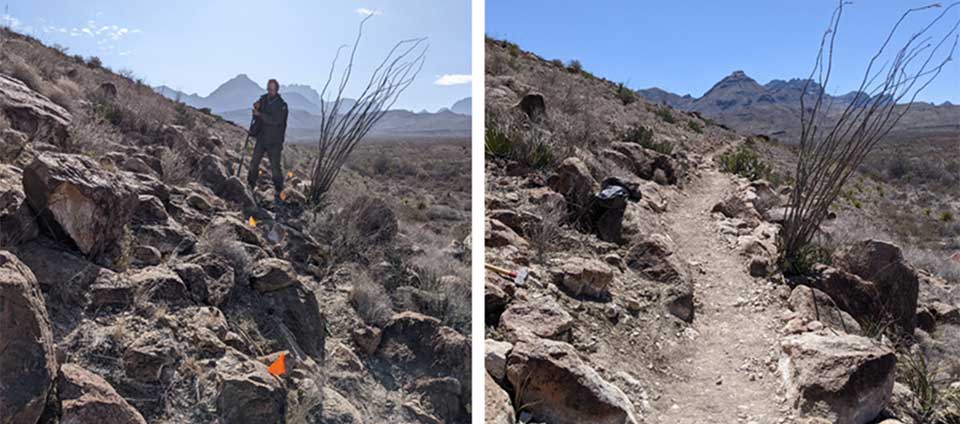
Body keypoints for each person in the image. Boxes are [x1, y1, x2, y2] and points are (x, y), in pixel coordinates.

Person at [247, 78, 289, 204]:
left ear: (276, 90)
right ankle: (250, 185)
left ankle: (279, 191)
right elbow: (257, 113)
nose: (269, 91)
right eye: (268, 88)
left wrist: (260, 115)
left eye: (271, 89)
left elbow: (275, 121)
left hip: (274, 141)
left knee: (275, 168)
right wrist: (256, 110)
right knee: (254, 162)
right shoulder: (263, 99)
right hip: (262, 137)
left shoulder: (282, 105)